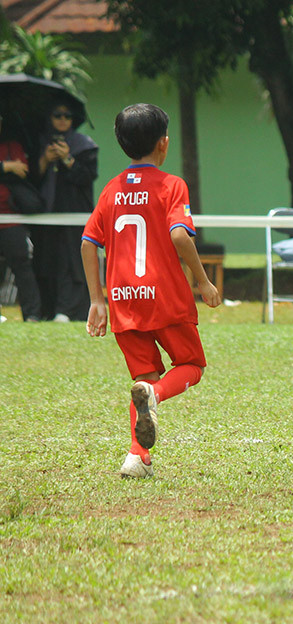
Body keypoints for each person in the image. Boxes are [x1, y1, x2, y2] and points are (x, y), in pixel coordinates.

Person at [81, 103, 221, 479]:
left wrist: (98, 299)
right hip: (165, 298)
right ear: (164, 143)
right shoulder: (172, 185)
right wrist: (203, 281)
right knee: (192, 366)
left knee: (143, 379)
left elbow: (88, 243)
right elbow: (179, 234)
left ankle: (137, 457)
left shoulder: (111, 190)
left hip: (125, 302)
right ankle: (155, 397)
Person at [32, 102, 99, 322]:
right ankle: (48, 310)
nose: (62, 119)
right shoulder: (38, 143)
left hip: (74, 214)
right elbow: (31, 179)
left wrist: (68, 159)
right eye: (57, 115)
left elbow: (87, 177)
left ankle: (69, 311)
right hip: (45, 214)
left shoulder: (84, 145)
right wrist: (44, 160)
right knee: (46, 260)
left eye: (67, 116)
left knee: (72, 262)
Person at [0, 113, 43, 322]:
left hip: (11, 218)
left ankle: (32, 315)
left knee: (22, 266)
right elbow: (14, 168)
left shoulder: (12, 145)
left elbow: (23, 170)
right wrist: (7, 167)